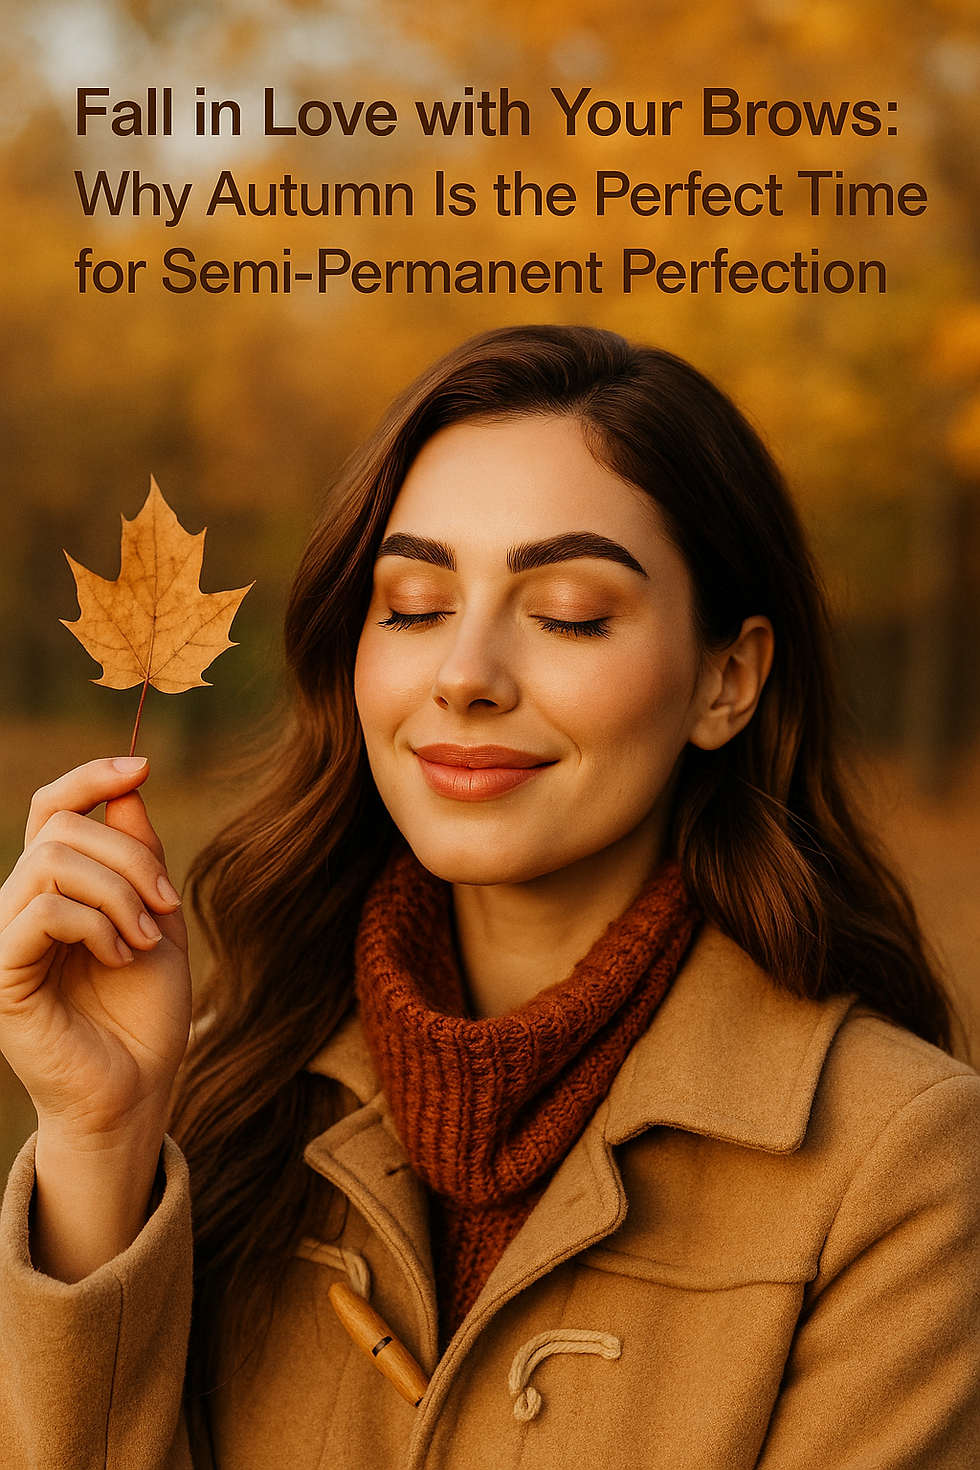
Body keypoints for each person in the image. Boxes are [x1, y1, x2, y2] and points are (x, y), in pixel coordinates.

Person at [1, 325, 979, 1469]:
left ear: (727, 679)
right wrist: (103, 1141)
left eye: (567, 611)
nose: (463, 674)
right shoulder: (233, 1080)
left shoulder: (901, 1165)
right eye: (410, 606)